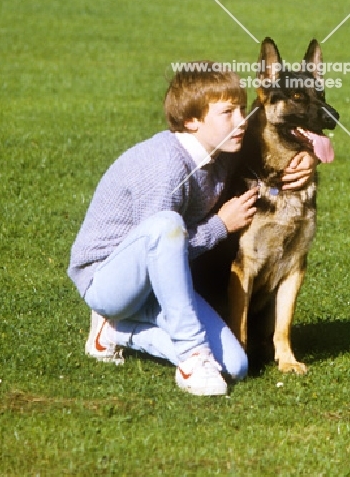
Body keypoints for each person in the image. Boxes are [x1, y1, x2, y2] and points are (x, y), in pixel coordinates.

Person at [67, 67, 316, 396]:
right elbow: (158, 249)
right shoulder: (165, 167)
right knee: (165, 225)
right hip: (110, 283)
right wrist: (221, 226)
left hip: (160, 281)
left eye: (242, 109)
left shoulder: (221, 152)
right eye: (227, 113)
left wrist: (307, 157)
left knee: (237, 366)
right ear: (191, 122)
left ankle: (113, 334)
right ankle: (190, 355)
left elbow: (270, 146)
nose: (241, 120)